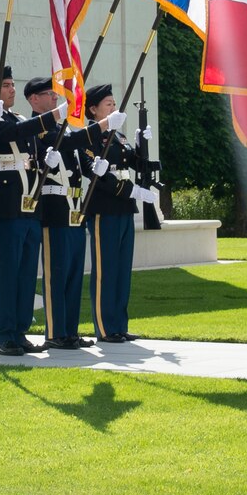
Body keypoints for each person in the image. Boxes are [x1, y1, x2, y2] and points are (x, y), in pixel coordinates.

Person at [0, 65, 46, 355]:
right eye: (6, 86)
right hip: (6, 207)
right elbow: (15, 132)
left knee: (27, 272)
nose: (13, 89)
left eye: (14, 85)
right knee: (8, 272)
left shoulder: (17, 117)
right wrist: (52, 116)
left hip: (29, 207)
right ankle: (3, 335)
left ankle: (19, 331)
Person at [29, 78, 91, 350]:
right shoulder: (37, 129)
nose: (55, 98)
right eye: (48, 94)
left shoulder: (59, 127)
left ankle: (69, 330)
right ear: (34, 100)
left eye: (55, 94)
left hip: (74, 209)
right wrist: (99, 128)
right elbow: (61, 145)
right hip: (54, 209)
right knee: (57, 272)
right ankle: (55, 331)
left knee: (74, 273)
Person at [82, 84, 143, 343]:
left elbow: (134, 164)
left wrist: (142, 144)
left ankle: (119, 324)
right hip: (103, 209)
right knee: (105, 271)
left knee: (121, 270)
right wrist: (128, 191)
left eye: (114, 103)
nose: (113, 107)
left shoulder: (119, 137)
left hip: (124, 209)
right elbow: (94, 173)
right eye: (108, 104)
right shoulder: (89, 136)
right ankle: (105, 328)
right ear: (94, 110)